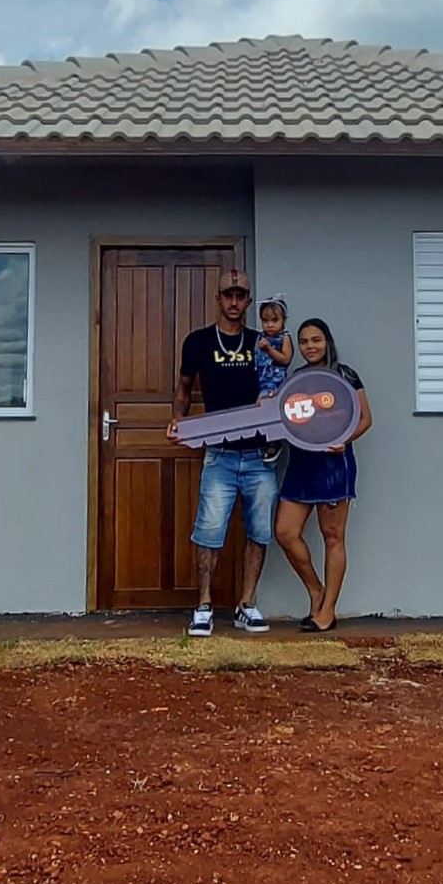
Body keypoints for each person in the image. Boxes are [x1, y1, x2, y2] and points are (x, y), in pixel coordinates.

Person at [167, 269, 277, 637]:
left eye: (241, 295)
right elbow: (184, 389)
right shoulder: (197, 342)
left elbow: (278, 384)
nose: (234, 302)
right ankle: (203, 606)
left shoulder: (262, 342)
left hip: (260, 454)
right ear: (218, 299)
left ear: (248, 301)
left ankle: (247, 605)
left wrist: (272, 398)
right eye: (228, 295)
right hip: (219, 454)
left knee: (259, 530)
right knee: (209, 530)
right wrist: (177, 420)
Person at [273, 318, 373, 633]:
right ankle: (316, 591)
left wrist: (344, 440)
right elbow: (285, 420)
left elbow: (366, 419)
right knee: (285, 532)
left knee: (333, 538)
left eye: (316, 340)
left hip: (335, 466)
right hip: (302, 464)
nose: (310, 346)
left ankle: (328, 610)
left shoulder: (346, 376)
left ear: (327, 341)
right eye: (303, 341)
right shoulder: (296, 380)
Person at [254, 294, 293, 463]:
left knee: (269, 407)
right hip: (261, 378)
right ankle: (267, 440)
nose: (269, 325)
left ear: (283, 320)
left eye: (274, 320)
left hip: (276, 380)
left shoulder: (284, 337)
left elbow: (285, 359)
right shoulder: (260, 337)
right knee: (261, 409)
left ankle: (274, 441)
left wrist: (269, 349)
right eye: (265, 320)